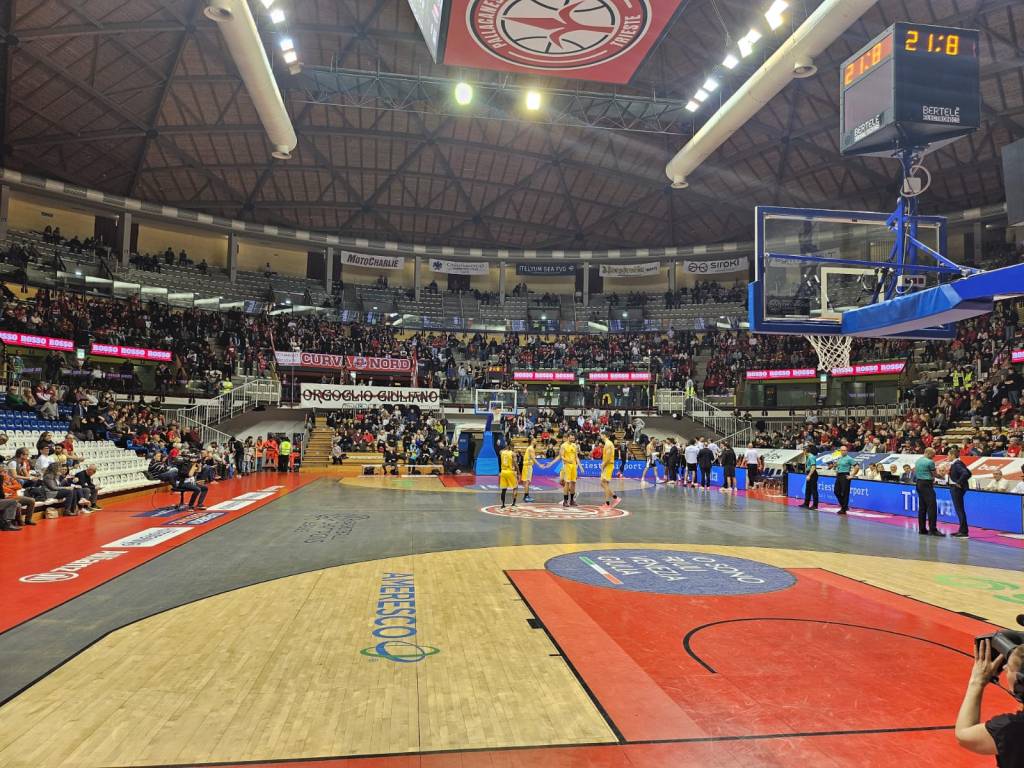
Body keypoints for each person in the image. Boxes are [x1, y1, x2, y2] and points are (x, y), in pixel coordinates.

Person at [955, 638, 1024, 766]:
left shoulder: (1011, 728)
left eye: (1009, 666)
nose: (1004, 667)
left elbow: (963, 735)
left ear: (1020, 681)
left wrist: (977, 681)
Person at [914, 447, 944, 536]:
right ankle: (933, 529)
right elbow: (934, 474)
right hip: (927, 485)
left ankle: (922, 529)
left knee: (922, 507)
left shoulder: (918, 460)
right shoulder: (930, 462)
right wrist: (942, 477)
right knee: (932, 507)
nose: (934, 457)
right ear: (928, 453)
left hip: (919, 483)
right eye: (933, 455)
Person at [947, 445, 972, 538]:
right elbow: (968, 473)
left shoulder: (957, 464)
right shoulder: (957, 463)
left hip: (957, 489)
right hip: (957, 488)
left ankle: (964, 531)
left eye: (948, 455)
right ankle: (962, 530)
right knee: (959, 509)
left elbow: (966, 473)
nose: (947, 457)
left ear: (953, 455)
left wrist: (959, 482)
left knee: (959, 510)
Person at [832, 446, 856, 514]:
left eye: (844, 450)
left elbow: (856, 467)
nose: (843, 451)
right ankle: (844, 506)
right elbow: (838, 466)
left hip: (845, 475)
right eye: (842, 450)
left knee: (845, 493)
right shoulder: (840, 458)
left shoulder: (849, 458)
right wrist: (836, 470)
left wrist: (852, 475)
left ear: (847, 451)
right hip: (839, 475)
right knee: (836, 491)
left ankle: (843, 509)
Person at [560, 433, 582, 507]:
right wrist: (567, 461)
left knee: (573, 483)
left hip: (574, 466)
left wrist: (580, 466)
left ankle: (572, 500)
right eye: (571, 438)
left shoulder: (574, 445)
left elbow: (576, 457)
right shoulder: (563, 445)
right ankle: (565, 501)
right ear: (568, 437)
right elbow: (562, 456)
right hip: (567, 466)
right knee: (567, 483)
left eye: (573, 438)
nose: (573, 439)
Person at [599, 430, 620, 509]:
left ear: (604, 435)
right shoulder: (608, 443)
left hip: (608, 465)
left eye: (601, 435)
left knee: (605, 483)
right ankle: (615, 497)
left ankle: (607, 504)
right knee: (602, 483)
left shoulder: (608, 444)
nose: (600, 436)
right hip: (607, 465)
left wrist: (603, 464)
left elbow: (608, 456)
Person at [520, 437, 543, 503]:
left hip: (526, 466)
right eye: (535, 440)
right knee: (527, 482)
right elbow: (534, 459)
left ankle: (526, 496)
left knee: (526, 482)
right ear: (532, 441)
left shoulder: (529, 448)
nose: (536, 441)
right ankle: (526, 496)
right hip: (528, 466)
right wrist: (539, 465)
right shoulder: (531, 448)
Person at [498, 443, 518, 509]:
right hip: (510, 471)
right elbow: (516, 464)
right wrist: (518, 472)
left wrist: (506, 448)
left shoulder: (501, 452)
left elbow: (500, 451)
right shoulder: (513, 454)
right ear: (512, 447)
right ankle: (513, 503)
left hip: (503, 472)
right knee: (515, 487)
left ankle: (503, 505)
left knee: (503, 489)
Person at [799, 445, 819, 509]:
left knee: (814, 490)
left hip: (812, 474)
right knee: (808, 490)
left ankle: (815, 505)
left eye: (803, 450)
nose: (803, 452)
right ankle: (806, 504)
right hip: (809, 473)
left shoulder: (811, 457)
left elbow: (813, 467)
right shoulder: (808, 457)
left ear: (806, 450)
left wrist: (809, 475)